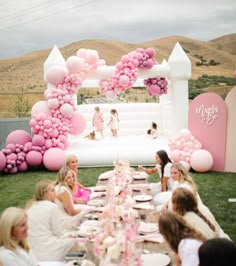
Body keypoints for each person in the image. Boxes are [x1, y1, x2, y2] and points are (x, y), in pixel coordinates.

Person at [26, 179, 78, 261]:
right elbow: (58, 233)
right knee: (78, 239)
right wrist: (68, 236)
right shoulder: (52, 207)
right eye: (52, 190)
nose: (56, 193)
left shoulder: (31, 206)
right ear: (44, 193)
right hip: (49, 248)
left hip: (32, 249)